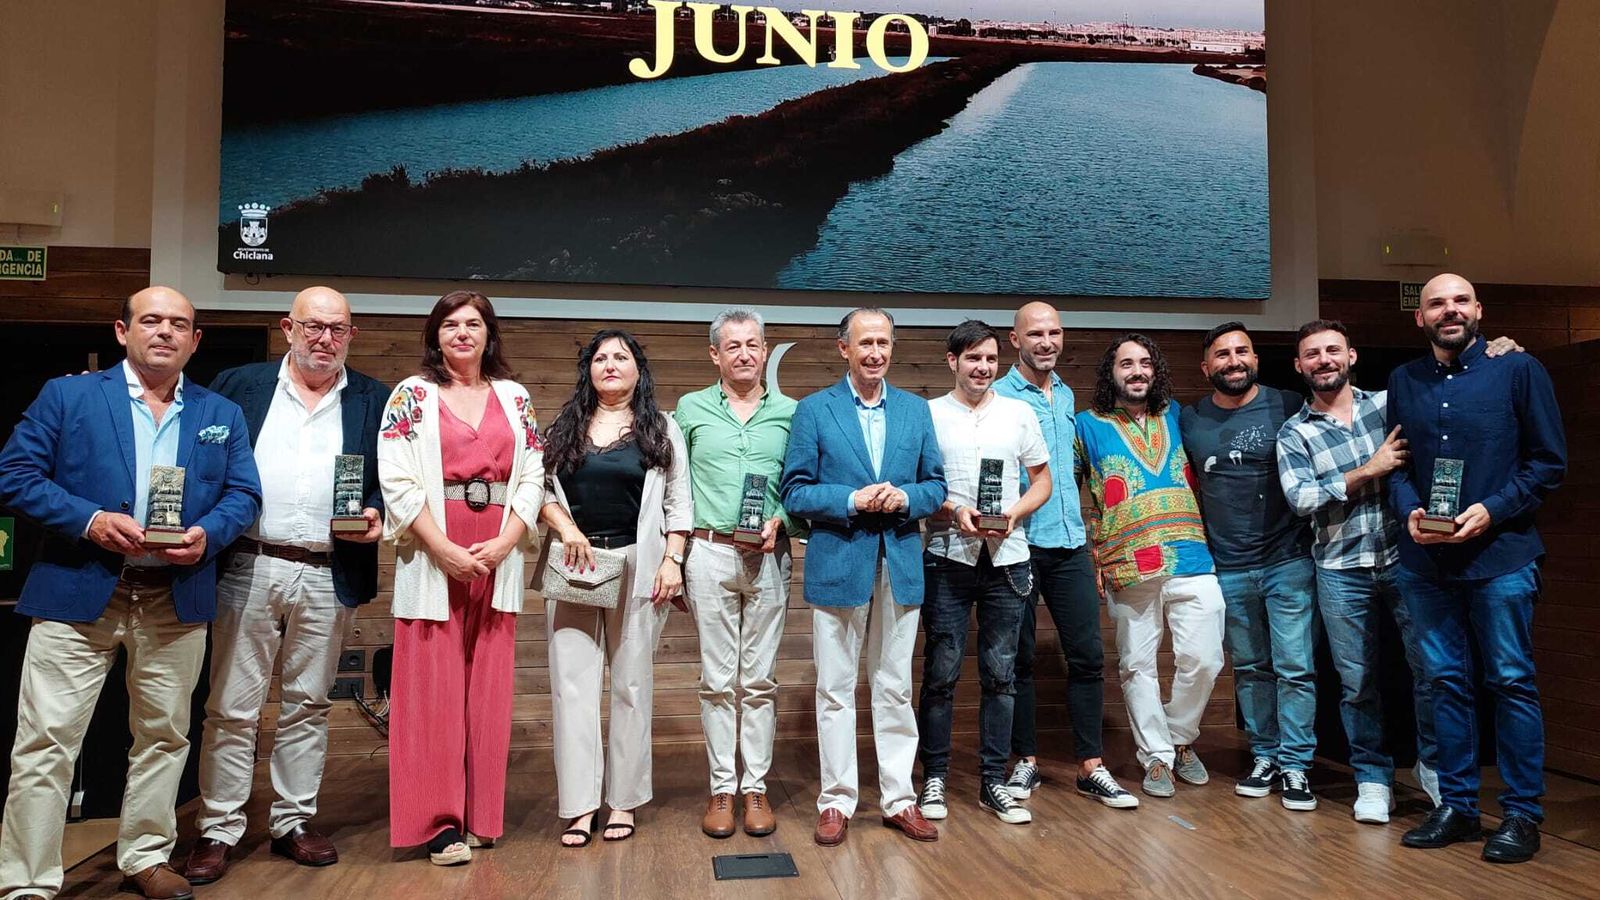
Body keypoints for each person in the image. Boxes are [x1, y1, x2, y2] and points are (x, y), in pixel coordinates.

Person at [0, 286, 262, 900]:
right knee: (45, 742)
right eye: (151, 320)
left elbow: (244, 496)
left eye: (179, 324)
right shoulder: (68, 396)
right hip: (78, 591)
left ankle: (144, 856)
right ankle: (27, 881)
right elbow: (14, 474)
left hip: (175, 596)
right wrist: (90, 520)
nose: (165, 332)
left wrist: (209, 534)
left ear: (196, 340)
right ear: (123, 331)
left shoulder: (219, 413)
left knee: (165, 737)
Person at [181, 287, 389, 883]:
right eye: (313, 327)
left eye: (338, 329)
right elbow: (204, 461)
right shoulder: (238, 385)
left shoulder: (372, 397)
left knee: (308, 703)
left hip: (330, 571)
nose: (325, 339)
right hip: (249, 563)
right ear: (288, 327)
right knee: (230, 707)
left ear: (352, 335)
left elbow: (384, 477)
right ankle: (219, 828)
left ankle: (292, 821)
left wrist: (375, 512)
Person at [1388, 274, 1565, 864]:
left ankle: (1520, 815)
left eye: (1460, 300)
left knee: (1511, 680)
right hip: (1425, 562)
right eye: (1437, 302)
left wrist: (1492, 510)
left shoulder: (1518, 370)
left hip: (1501, 558)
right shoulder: (1402, 380)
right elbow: (1397, 464)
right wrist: (1409, 510)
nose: (1449, 310)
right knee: (1445, 682)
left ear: (1479, 310)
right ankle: (1459, 808)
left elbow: (1548, 463)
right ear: (1421, 318)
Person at [377, 291, 546, 865]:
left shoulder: (514, 397)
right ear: (435, 335)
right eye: (450, 325)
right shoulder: (412, 396)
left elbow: (533, 474)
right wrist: (443, 547)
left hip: (496, 554)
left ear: (488, 334)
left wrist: (504, 541)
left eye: (473, 324)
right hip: (434, 555)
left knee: (488, 692)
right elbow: (397, 480)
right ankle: (438, 824)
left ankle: (481, 816)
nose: (462, 334)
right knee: (433, 693)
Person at [781, 307, 946, 847]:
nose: (875, 352)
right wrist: (851, 499)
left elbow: (936, 487)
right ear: (843, 349)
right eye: (865, 343)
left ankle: (900, 799)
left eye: (883, 342)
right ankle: (836, 800)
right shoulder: (813, 410)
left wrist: (906, 498)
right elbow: (796, 491)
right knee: (834, 688)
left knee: (894, 687)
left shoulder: (915, 411)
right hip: (839, 560)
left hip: (898, 560)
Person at [1277, 319, 1442, 824]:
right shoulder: (1294, 432)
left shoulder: (1390, 404)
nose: (1323, 360)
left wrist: (1500, 350)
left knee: (1431, 670)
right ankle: (1372, 777)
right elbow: (1301, 498)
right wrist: (1369, 469)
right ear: (1300, 366)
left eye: (1332, 350)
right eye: (1312, 354)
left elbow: (1449, 403)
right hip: (1338, 567)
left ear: (1351, 355)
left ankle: (1434, 768)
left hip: (1406, 557)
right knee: (1356, 681)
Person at [540, 329, 692, 848]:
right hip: (577, 564)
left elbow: (679, 503)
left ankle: (622, 800)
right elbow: (536, 490)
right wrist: (566, 528)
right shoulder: (563, 427)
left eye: (620, 357)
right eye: (600, 358)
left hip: (639, 565)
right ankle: (580, 807)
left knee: (630, 688)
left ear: (637, 370)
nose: (609, 365)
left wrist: (673, 560)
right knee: (573, 689)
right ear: (588, 370)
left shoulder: (662, 428)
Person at [996, 302, 1136, 809]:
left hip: (1072, 543)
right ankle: (1026, 761)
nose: (1046, 342)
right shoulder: (1000, 395)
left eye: (1054, 333)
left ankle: (1090, 766)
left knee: (1089, 657)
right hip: (1020, 545)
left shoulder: (1068, 395)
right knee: (1021, 659)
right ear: (1015, 340)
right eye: (1035, 334)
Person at [1075, 333, 1225, 799]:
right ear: (1111, 373)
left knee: (1205, 658)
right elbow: (1069, 492)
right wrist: (1093, 553)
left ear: (1155, 371)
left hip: (1191, 554)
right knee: (1137, 665)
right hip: (1126, 560)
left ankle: (1179, 737)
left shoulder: (1181, 417)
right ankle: (1157, 756)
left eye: (1145, 363)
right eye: (1126, 364)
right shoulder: (1086, 425)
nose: (1137, 371)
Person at [916, 321, 1052, 826]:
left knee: (1001, 676)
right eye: (973, 358)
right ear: (952, 361)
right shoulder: (927, 415)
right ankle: (934, 777)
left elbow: (1043, 481)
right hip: (948, 557)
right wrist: (953, 509)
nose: (983, 368)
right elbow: (921, 487)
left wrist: (1014, 515)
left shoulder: (1018, 413)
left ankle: (993, 781)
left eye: (991, 359)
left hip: (1009, 560)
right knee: (941, 675)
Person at [1179, 323, 1319, 811]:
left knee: (1295, 667)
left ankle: (1298, 766)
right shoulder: (1190, 418)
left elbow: (1355, 402)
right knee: (1252, 669)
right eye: (1222, 354)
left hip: (1288, 561)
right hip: (1228, 567)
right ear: (1206, 367)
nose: (1233, 360)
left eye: (1241, 352)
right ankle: (1265, 756)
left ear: (1256, 359)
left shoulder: (1288, 404)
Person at [674, 308, 797, 839]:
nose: (745, 353)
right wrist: (671, 557)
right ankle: (722, 787)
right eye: (733, 345)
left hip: (770, 555)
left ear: (766, 351)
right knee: (718, 679)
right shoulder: (690, 409)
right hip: (709, 553)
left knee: (760, 680)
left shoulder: (792, 412)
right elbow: (672, 482)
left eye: (753, 344)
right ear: (715, 355)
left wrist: (782, 518)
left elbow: (801, 483)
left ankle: (756, 788)